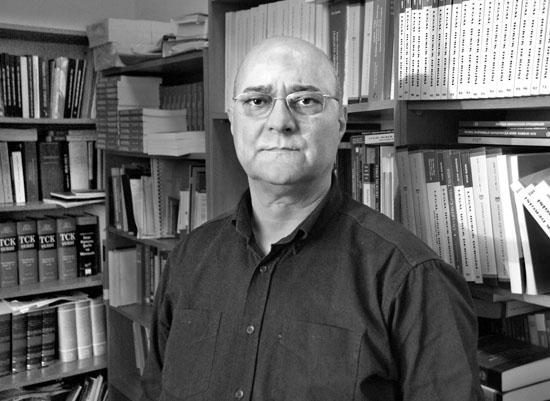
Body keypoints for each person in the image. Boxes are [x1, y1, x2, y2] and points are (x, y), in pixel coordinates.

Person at [141, 36, 483, 401]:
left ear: (340, 121)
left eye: (305, 100)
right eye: (257, 101)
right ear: (233, 122)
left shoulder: (411, 279)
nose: (280, 122)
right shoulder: (189, 258)